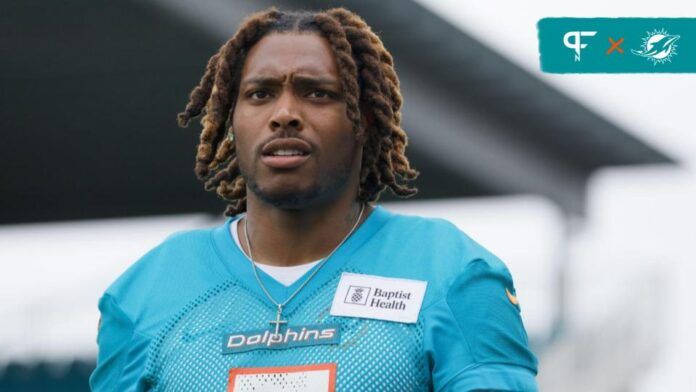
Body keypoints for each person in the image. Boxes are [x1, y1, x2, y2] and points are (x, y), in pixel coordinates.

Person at [90, 7, 538, 391]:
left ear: (363, 119)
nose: (285, 114)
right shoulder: (145, 292)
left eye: (317, 93)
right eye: (260, 94)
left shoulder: (450, 270)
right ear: (231, 119)